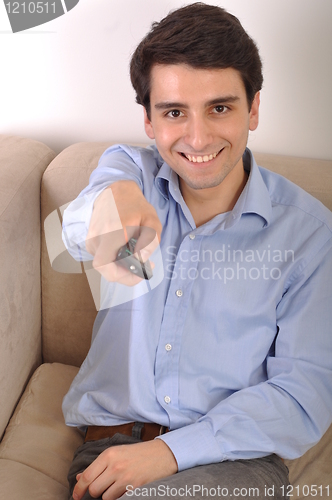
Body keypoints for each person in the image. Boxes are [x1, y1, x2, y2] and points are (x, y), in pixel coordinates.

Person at [61, 3, 332, 500]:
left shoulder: (311, 235)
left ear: (253, 108)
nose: (199, 137)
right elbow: (77, 231)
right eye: (174, 112)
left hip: (234, 458)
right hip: (109, 451)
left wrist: (168, 454)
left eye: (221, 108)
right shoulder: (129, 172)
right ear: (148, 120)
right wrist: (109, 202)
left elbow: (305, 394)